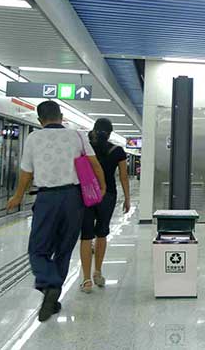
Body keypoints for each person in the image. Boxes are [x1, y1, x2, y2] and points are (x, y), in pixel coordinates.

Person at [6, 101, 106, 322]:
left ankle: (49, 284)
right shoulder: (77, 136)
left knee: (38, 249)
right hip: (73, 198)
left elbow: (26, 173)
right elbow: (94, 164)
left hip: (47, 198)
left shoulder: (33, 138)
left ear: (40, 120)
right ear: (61, 116)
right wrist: (102, 186)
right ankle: (53, 298)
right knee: (64, 249)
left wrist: (18, 196)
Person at [80, 119, 130, 293]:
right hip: (107, 195)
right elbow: (123, 176)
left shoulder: (85, 148)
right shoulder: (118, 151)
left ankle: (86, 280)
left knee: (86, 236)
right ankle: (98, 272)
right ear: (110, 133)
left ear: (94, 130)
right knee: (102, 233)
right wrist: (127, 198)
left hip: (86, 193)